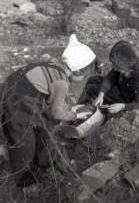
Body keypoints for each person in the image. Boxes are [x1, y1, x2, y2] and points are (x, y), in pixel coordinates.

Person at [1, 34, 96, 187]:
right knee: (23, 140)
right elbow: (56, 112)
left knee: (45, 125)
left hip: (16, 89)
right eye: (84, 74)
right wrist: (75, 114)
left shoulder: (53, 65)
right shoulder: (61, 82)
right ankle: (24, 181)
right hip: (16, 100)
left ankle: (43, 161)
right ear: (77, 71)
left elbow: (46, 96)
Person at [79, 40, 139, 113]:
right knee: (92, 79)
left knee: (91, 88)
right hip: (120, 86)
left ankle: (82, 112)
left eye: (116, 66)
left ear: (126, 68)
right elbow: (110, 77)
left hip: (125, 99)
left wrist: (123, 106)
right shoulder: (126, 64)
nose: (113, 67)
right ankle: (84, 106)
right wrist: (101, 94)